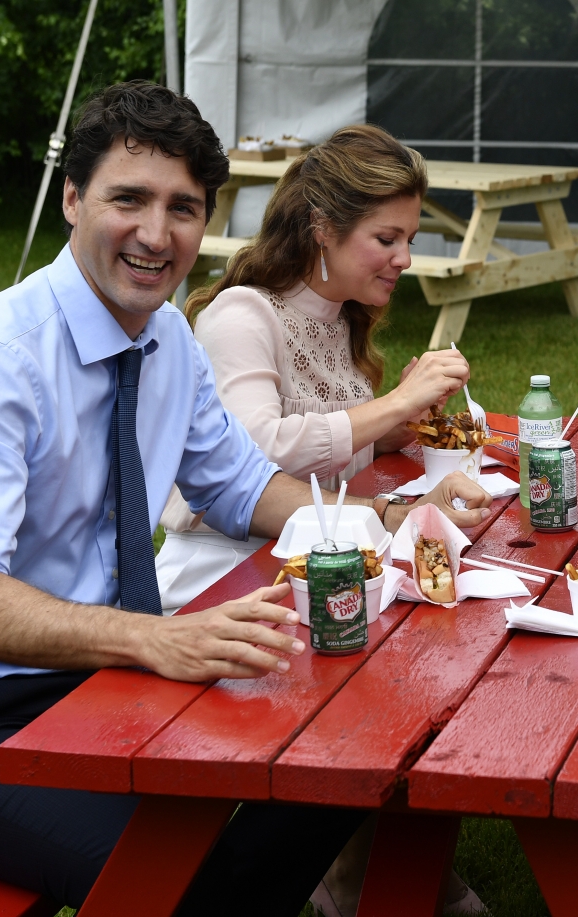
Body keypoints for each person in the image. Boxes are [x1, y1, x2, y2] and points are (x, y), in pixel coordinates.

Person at [0, 81, 490, 915]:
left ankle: (368, 884)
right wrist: (156, 640)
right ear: (72, 199)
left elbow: (242, 484)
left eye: (183, 207)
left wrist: (390, 519)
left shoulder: (169, 338)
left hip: (84, 679)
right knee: (195, 879)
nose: (156, 234)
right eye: (129, 199)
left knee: (349, 747)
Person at [155, 124, 471, 616]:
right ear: (322, 227)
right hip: (225, 577)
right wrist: (393, 404)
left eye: (408, 238)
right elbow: (252, 459)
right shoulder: (243, 314)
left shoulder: (341, 317)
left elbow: (332, 452)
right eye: (386, 238)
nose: (405, 259)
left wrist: (397, 424)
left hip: (328, 564)